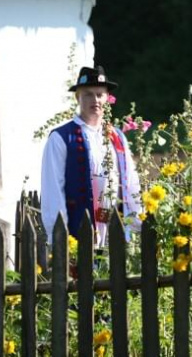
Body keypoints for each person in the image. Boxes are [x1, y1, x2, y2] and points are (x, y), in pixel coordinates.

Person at [41, 66, 141, 247]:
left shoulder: (118, 138)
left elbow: (131, 183)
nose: (95, 99)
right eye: (88, 94)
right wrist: (60, 238)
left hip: (115, 228)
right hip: (79, 229)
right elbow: (53, 191)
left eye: (99, 94)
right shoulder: (61, 138)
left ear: (107, 99)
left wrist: (136, 226)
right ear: (78, 97)